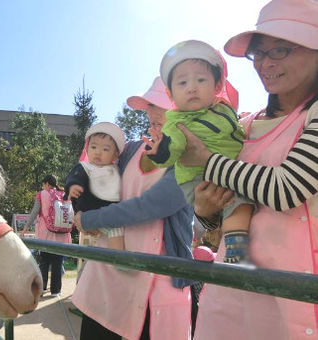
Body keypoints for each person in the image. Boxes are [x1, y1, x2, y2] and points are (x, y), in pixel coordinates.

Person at [174, 0, 318, 338]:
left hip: (292, 303)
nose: (265, 63)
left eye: (281, 49)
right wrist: (206, 211)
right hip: (228, 298)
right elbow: (226, 212)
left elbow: (287, 188)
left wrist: (207, 161)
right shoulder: (244, 125)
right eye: (258, 52)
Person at [71, 77, 194, 340]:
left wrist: (91, 219)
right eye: (149, 105)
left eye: (159, 104)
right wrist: (79, 207)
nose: (151, 112)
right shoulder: (130, 150)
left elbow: (152, 205)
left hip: (155, 284)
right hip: (108, 276)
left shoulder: (191, 157)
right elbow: (89, 172)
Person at [144, 40, 254, 264]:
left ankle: (233, 244)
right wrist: (161, 151)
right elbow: (173, 146)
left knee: (241, 204)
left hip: (228, 170)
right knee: (238, 202)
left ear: (216, 86)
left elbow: (236, 130)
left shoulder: (223, 109)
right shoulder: (176, 123)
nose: (192, 87)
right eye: (182, 82)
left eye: (201, 80)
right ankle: (237, 252)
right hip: (198, 179)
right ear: (171, 94)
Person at [64, 122, 126, 250]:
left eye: (105, 149)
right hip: (89, 211)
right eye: (93, 147)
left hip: (107, 213)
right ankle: (119, 260)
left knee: (115, 230)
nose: (98, 152)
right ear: (87, 149)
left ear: (115, 155)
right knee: (115, 228)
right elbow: (75, 177)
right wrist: (73, 186)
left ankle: (115, 258)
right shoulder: (85, 167)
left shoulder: (115, 170)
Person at [20, 175, 71, 297]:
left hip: (45, 235)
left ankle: (42, 288)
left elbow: (35, 212)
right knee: (57, 264)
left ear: (47, 183)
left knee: (44, 263)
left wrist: (25, 228)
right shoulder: (64, 194)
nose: (43, 186)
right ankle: (56, 291)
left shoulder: (42, 194)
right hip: (62, 236)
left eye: (44, 184)